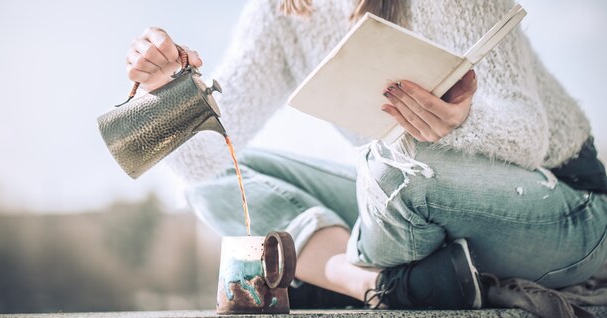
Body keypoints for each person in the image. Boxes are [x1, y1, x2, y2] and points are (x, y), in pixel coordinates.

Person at [124, 0, 607, 310]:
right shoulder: (282, 12)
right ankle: (375, 285)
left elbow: (530, 135)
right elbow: (201, 163)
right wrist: (165, 92)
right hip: (405, 204)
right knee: (212, 185)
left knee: (389, 166)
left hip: (562, 205)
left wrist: (464, 122)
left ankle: (351, 276)